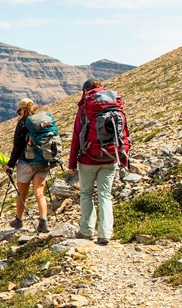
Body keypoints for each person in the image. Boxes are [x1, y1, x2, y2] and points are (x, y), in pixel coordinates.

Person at [68, 78, 122, 245]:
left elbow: (76, 136)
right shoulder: (114, 104)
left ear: (85, 90)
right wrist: (123, 156)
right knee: (105, 195)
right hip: (111, 156)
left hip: (88, 158)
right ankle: (105, 233)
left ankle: (87, 230)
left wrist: (71, 164)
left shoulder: (86, 106)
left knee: (86, 194)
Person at [2, 98, 51, 233]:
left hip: (26, 163)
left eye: (19, 111)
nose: (19, 114)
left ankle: (19, 220)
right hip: (43, 161)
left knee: (22, 193)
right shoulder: (42, 121)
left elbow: (17, 147)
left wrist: (10, 165)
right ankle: (43, 220)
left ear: (23, 109)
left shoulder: (23, 123)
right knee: (39, 192)